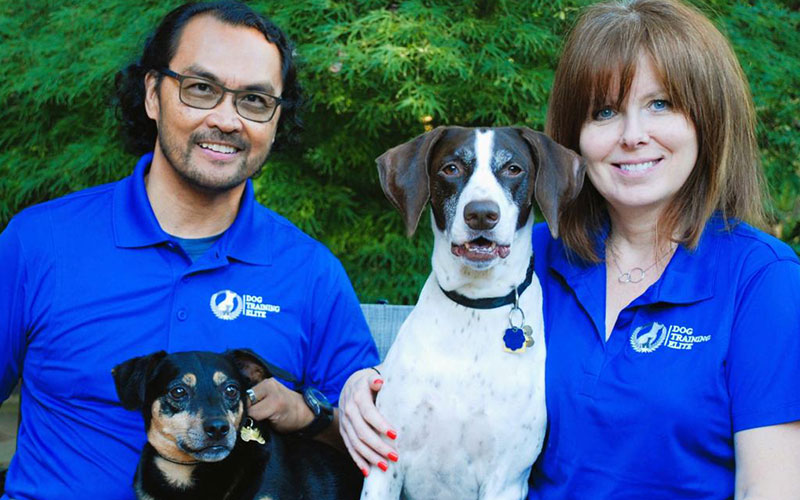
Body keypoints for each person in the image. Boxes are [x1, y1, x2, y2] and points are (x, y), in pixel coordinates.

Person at [338, 0, 800, 498]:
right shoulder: (525, 260)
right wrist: (362, 388)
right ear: (576, 133)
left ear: (706, 118)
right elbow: (441, 363)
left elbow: (771, 487)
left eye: (660, 104)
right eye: (605, 111)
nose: (632, 135)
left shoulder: (762, 280)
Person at [0, 2, 378, 499]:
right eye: (201, 89)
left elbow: (379, 451)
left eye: (256, 100)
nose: (227, 119)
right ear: (152, 94)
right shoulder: (39, 243)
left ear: (277, 119)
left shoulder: (309, 273)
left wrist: (308, 416)